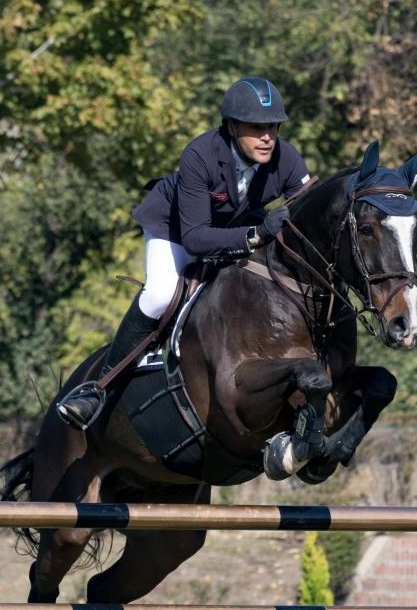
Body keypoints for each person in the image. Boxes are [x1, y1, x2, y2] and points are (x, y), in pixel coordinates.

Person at [57, 77, 311, 431]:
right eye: (256, 127)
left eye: (273, 126)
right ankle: (99, 389)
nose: (267, 136)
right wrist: (255, 235)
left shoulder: (285, 157)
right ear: (233, 126)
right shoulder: (200, 155)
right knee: (161, 293)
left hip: (234, 229)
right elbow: (195, 238)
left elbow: (309, 209)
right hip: (175, 229)